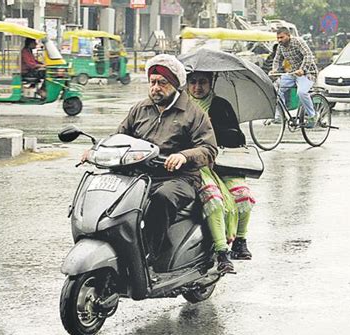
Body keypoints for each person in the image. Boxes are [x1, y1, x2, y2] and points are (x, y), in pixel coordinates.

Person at [81, 54, 218, 267]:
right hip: (139, 176)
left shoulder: (193, 113)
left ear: (174, 84)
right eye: (152, 82)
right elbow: (119, 137)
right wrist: (94, 151)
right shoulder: (139, 109)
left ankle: (152, 254)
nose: (156, 88)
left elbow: (208, 149)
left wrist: (183, 156)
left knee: (161, 199)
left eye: (162, 83)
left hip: (179, 179)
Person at [186, 71, 256, 271]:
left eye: (202, 82)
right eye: (193, 82)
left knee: (244, 196)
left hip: (225, 166)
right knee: (214, 200)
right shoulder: (182, 107)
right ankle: (221, 251)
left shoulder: (221, 106)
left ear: (211, 83)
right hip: (197, 166)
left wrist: (213, 128)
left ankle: (240, 241)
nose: (197, 87)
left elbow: (238, 139)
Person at [270, 27, 319, 128]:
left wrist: (303, 69)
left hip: (308, 73)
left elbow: (308, 55)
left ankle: (312, 115)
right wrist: (274, 70)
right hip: (293, 74)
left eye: (282, 37)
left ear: (288, 36)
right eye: (278, 38)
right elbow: (277, 60)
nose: (279, 40)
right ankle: (280, 115)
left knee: (301, 92)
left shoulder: (298, 42)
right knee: (277, 88)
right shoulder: (280, 47)